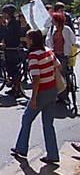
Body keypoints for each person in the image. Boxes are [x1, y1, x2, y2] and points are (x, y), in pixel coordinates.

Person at [11, 29, 60, 164]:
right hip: (52, 89)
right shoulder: (48, 51)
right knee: (48, 124)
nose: (25, 40)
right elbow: (58, 66)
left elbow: (36, 79)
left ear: (32, 40)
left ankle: (21, 147)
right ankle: (52, 153)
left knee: (27, 119)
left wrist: (33, 98)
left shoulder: (33, 56)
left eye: (27, 38)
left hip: (42, 92)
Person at [46, 12, 76, 104]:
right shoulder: (52, 29)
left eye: (53, 20)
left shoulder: (66, 30)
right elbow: (48, 40)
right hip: (54, 55)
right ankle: (57, 95)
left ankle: (64, 96)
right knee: (53, 76)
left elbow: (73, 40)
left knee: (62, 76)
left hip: (64, 55)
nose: (52, 21)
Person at [0, 4, 22, 97]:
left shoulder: (14, 23)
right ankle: (13, 88)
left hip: (13, 49)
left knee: (14, 70)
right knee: (10, 69)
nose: (3, 15)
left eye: (4, 13)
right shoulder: (9, 23)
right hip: (9, 49)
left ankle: (17, 89)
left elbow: (11, 36)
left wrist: (6, 43)